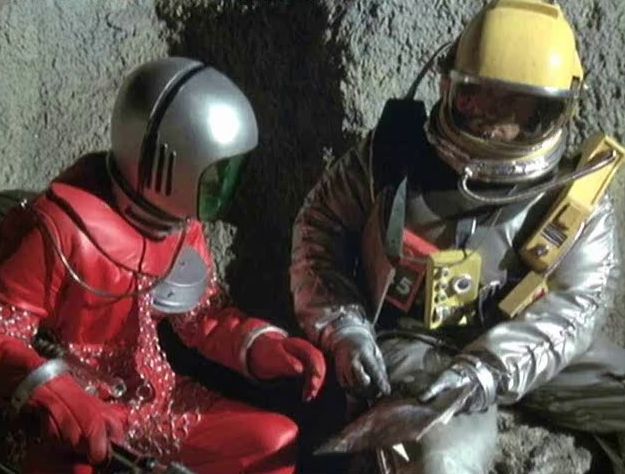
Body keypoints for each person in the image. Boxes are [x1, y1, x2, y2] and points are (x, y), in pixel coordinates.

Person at [290, 0, 625, 472]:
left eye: (515, 105)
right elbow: (318, 231)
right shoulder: (391, 157)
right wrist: (345, 328)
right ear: (448, 84)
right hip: (412, 342)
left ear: (553, 111)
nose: (490, 117)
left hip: (519, 341)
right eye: (477, 94)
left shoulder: (576, 198)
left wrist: (487, 370)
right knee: (444, 461)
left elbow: (576, 306)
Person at [0, 56, 326, 474]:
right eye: (215, 172)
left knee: (272, 444)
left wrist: (265, 346)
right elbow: (5, 330)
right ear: (172, 159)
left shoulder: (180, 227)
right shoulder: (60, 227)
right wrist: (53, 390)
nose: (220, 186)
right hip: (62, 419)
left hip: (153, 399)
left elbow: (202, 316)